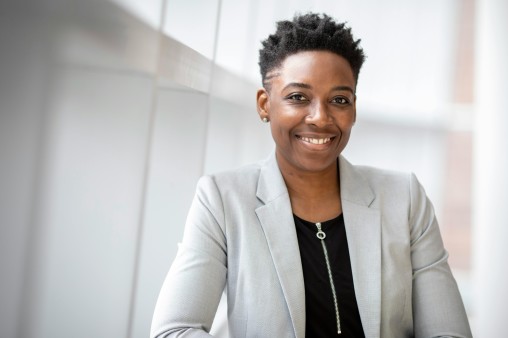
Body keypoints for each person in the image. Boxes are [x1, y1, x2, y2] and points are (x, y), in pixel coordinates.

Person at [151, 12, 472, 338]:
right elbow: (174, 330)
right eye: (297, 97)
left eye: (339, 100)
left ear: (354, 109)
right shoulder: (223, 199)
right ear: (265, 104)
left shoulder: (405, 199)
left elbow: (449, 333)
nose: (320, 118)